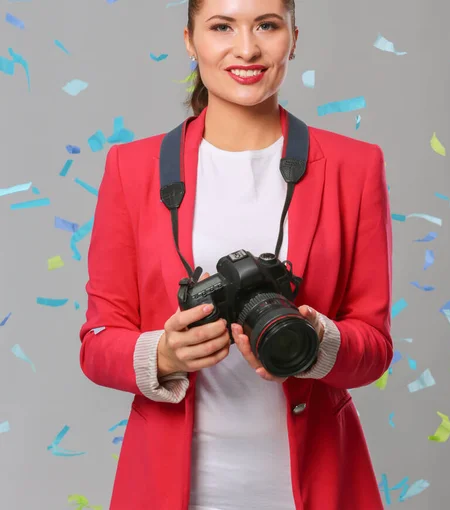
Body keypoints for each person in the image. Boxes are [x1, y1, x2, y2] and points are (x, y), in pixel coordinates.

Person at [79, 0, 393, 508]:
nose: (246, 48)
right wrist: (163, 355)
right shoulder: (131, 168)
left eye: (266, 26)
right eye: (222, 26)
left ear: (294, 36)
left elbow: (374, 347)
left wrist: (318, 341)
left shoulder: (355, 168)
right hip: (170, 482)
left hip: (315, 479)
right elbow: (96, 344)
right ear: (190, 40)